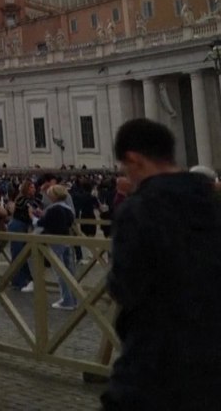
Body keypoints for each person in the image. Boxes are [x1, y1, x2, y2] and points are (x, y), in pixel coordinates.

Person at [102, 119, 221, 410]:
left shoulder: (140, 209)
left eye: (125, 168)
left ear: (134, 160)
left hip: (157, 362)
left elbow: (125, 287)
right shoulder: (213, 202)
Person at [7, 179, 42, 290]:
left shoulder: (32, 199)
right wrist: (36, 210)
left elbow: (36, 207)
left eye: (34, 187)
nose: (34, 189)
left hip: (23, 226)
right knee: (18, 253)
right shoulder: (21, 199)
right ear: (26, 188)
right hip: (17, 226)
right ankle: (19, 281)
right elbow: (31, 207)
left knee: (22, 253)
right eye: (31, 187)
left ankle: (24, 279)